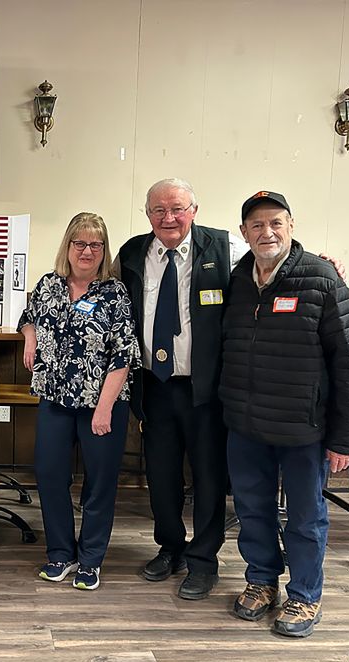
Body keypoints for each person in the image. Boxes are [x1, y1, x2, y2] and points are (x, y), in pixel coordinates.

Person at [220, 190, 349, 637]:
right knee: (252, 510)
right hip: (246, 423)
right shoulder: (237, 279)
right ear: (244, 233)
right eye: (257, 225)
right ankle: (262, 581)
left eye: (276, 223)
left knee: (305, 517)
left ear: (291, 226)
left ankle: (304, 595)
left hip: (304, 427)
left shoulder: (322, 278)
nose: (267, 232)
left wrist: (345, 438)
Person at [116, 178, 245, 600]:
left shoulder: (225, 248)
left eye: (177, 209)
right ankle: (170, 547)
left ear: (194, 210)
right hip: (155, 385)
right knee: (162, 475)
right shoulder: (132, 253)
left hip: (206, 389)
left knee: (209, 477)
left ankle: (203, 560)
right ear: (147, 214)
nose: (168, 217)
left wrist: (323, 263)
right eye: (158, 210)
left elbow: (272, 263)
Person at [19, 212, 138, 591]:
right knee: (49, 475)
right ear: (68, 246)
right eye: (80, 243)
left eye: (95, 245)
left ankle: (90, 559)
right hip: (55, 399)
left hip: (101, 404)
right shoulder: (49, 284)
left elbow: (124, 354)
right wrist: (30, 337)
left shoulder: (114, 293)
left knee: (99, 483)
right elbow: (28, 316)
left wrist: (104, 409)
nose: (87, 251)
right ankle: (60, 553)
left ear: (104, 251)